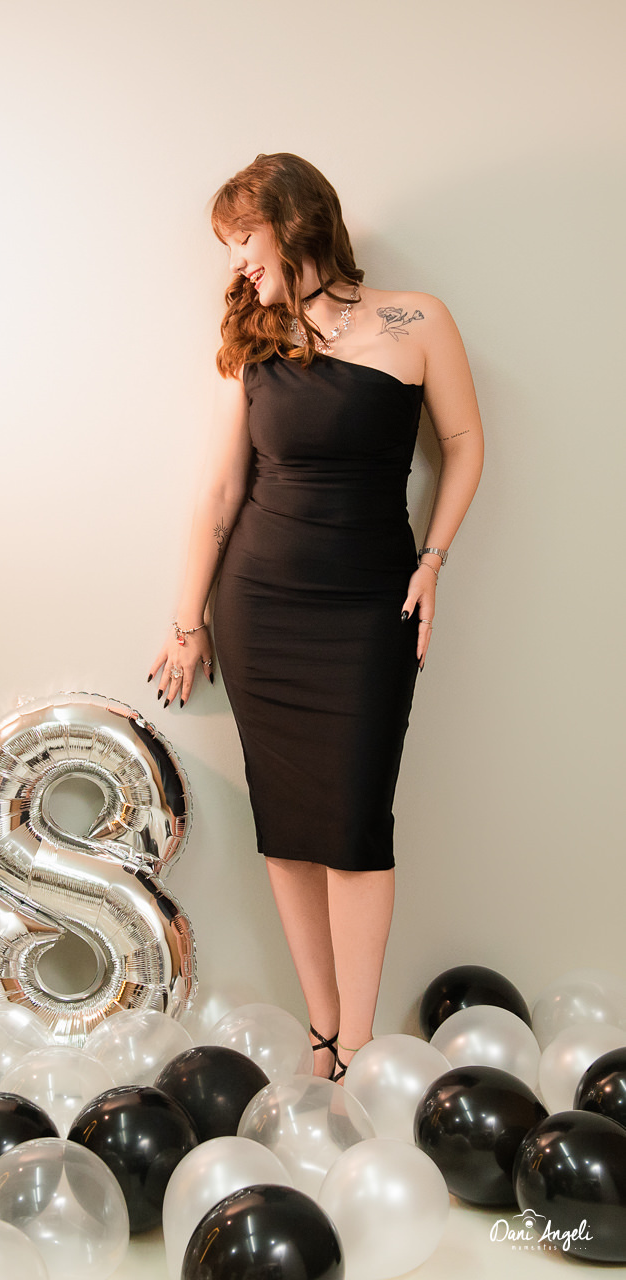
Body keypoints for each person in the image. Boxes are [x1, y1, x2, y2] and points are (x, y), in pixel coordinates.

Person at [148, 153, 484, 1082]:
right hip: (260, 608)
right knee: (289, 828)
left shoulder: (415, 321)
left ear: (293, 223)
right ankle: (323, 1036)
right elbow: (220, 493)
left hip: (371, 608)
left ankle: (362, 1046)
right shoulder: (252, 339)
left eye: (242, 240)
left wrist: (433, 560)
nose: (234, 264)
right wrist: (186, 622)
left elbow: (463, 444)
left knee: (354, 826)